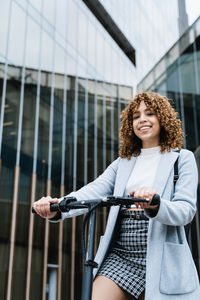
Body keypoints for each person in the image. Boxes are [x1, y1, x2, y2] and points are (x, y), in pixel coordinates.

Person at [33, 92, 200, 300]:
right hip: (121, 254)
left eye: (149, 113)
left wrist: (156, 204)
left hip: (162, 255)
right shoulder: (123, 162)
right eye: (136, 116)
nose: (142, 120)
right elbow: (94, 190)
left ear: (163, 118)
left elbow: (186, 210)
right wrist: (58, 206)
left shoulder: (182, 159)